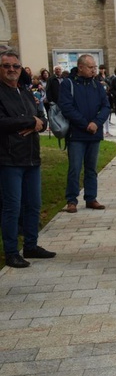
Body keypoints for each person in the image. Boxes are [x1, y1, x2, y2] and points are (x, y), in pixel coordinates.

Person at [0, 50, 56, 268]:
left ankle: (31, 245)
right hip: (9, 159)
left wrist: (33, 122)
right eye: (6, 66)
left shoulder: (24, 92)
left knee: (33, 204)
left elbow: (41, 116)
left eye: (15, 66)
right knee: (12, 207)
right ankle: (11, 251)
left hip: (32, 157)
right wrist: (28, 122)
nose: (11, 69)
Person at [60, 55, 111, 213]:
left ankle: (91, 197)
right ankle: (71, 199)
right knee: (75, 167)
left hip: (94, 133)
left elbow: (106, 106)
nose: (94, 70)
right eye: (90, 67)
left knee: (91, 168)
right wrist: (85, 124)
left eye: (94, 67)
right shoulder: (69, 84)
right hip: (77, 134)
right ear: (80, 67)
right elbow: (67, 107)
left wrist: (96, 122)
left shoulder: (97, 85)